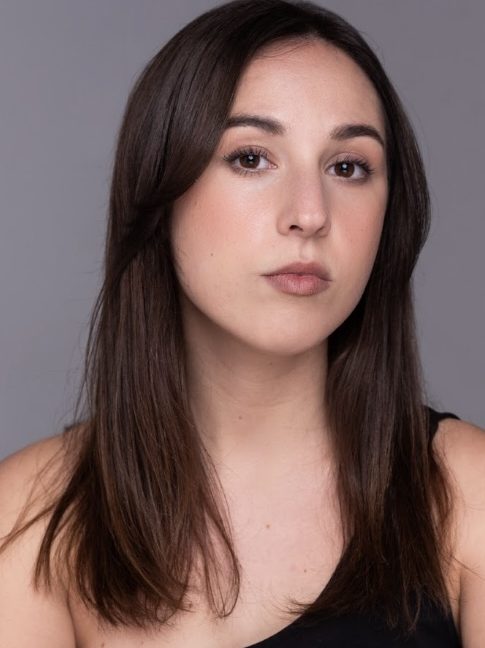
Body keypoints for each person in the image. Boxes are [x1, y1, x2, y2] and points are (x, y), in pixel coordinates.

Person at [0, 0, 483, 645]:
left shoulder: (468, 494)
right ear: (162, 187)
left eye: (347, 167)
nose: (310, 214)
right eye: (252, 158)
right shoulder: (31, 518)